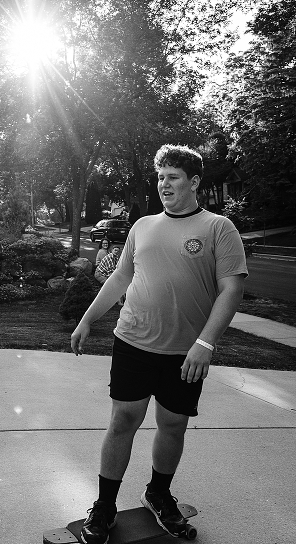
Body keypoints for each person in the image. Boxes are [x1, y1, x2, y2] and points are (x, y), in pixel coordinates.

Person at [70, 144, 247, 544]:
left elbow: (231, 289)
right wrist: (87, 320)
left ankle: (158, 493)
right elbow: (119, 279)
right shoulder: (142, 226)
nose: (164, 184)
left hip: (186, 352)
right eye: (160, 177)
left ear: (194, 181)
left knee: (172, 424)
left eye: (174, 177)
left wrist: (206, 343)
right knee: (122, 422)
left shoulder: (219, 227)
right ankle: (104, 506)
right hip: (132, 341)